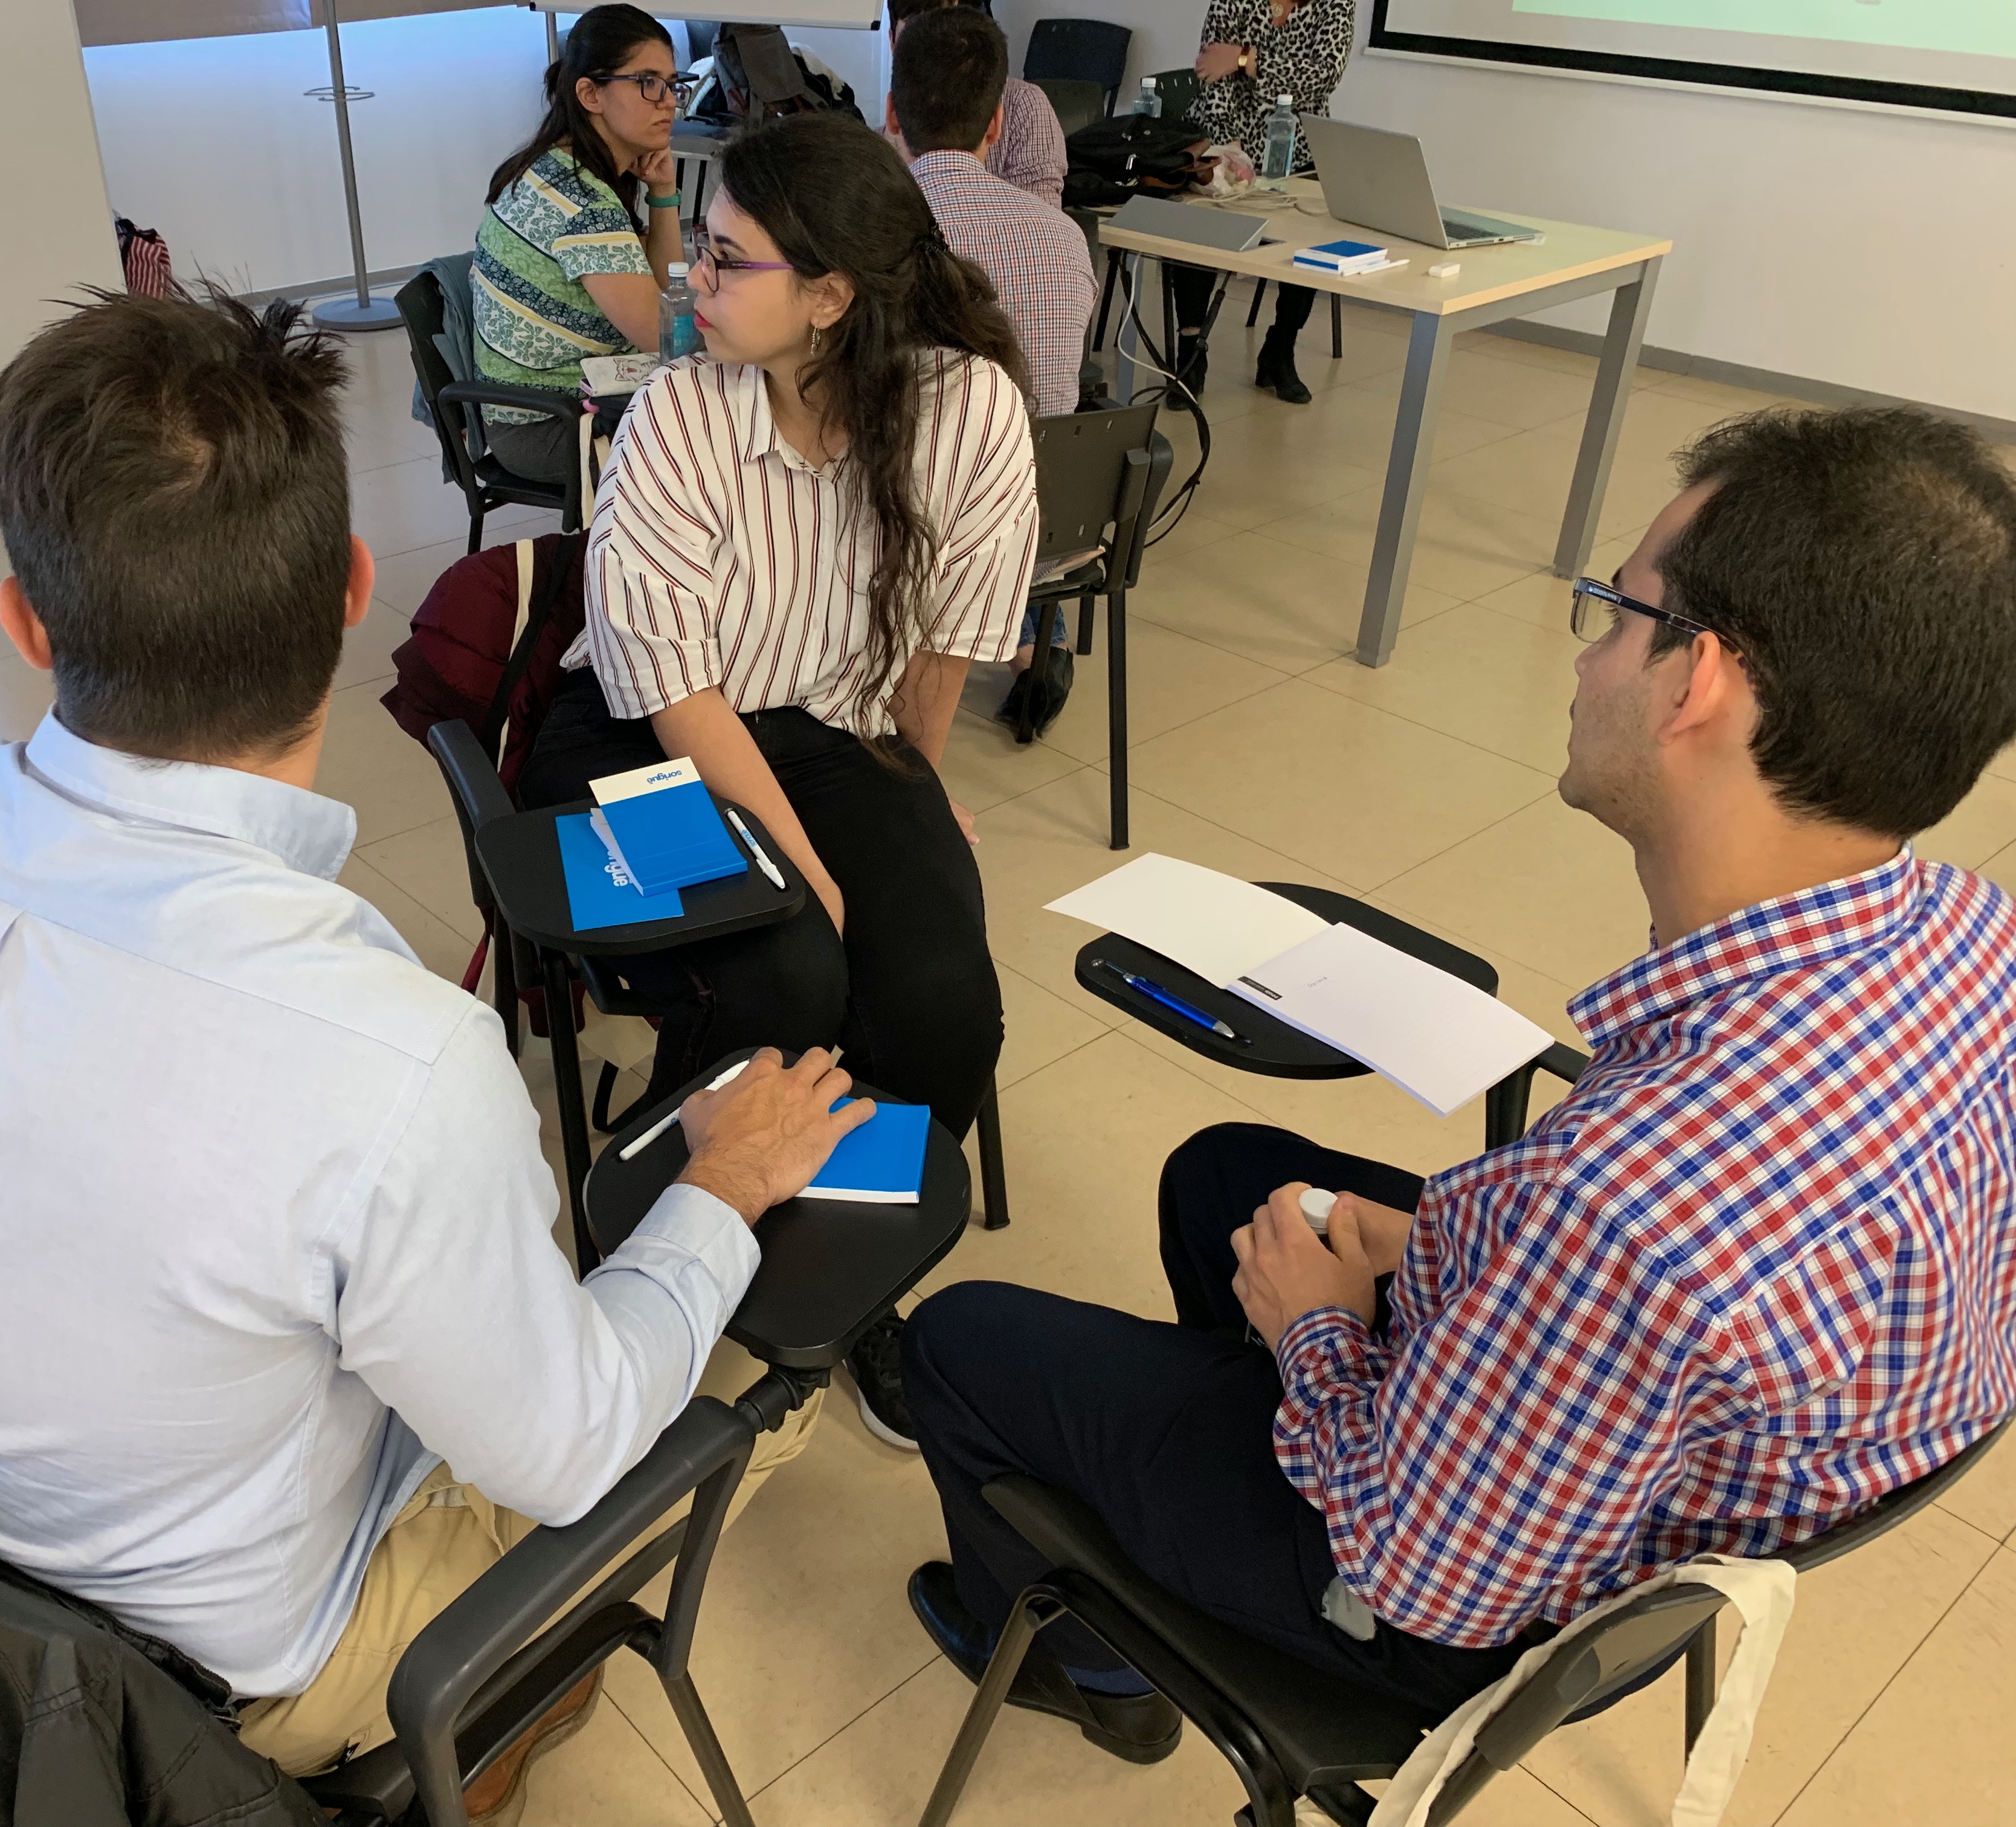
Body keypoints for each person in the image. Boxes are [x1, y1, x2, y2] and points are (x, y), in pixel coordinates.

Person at [0, 287, 870, 1817]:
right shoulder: (394, 1064)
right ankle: (473, 1727)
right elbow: (568, 1452)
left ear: (24, 620)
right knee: (755, 1379)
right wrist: (726, 1188)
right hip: (196, 1675)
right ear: (356, 586)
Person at [900, 407, 2016, 1764]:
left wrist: (1318, 1336)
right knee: (1226, 1175)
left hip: (1450, 1605)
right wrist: (1447, 1245)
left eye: (1618, 612)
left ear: (1698, 686)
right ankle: (1204, 1478)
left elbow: (1425, 1575)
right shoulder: (1970, 931)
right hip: (1673, 1457)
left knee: (958, 1337)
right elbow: (1636, 1275)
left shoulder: (1633, 1215)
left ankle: (1094, 1664)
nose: (1586, 655)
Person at [516, 112, 1037, 1450]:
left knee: (941, 1007)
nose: (689, 277)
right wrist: (820, 880)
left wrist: (909, 801)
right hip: (630, 748)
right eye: (698, 244)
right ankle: (673, 1263)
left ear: (830, 296)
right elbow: (677, 692)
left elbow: (940, 650)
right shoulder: (677, 412)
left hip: (821, 729)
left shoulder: (967, 408)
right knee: (792, 972)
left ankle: (851, 1281)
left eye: (725, 258)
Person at [887, 5, 1094, 736]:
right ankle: (1036, 638)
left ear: (892, 114)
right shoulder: (1064, 237)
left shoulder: (872, 230)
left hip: (910, 514)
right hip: (1048, 515)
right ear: (997, 124)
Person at [471, 5, 690, 486]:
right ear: (590, 94)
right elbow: (667, 337)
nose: (668, 102)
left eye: (673, 84)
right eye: (648, 83)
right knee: (730, 423)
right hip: (553, 426)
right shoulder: (582, 202)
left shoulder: (555, 167)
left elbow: (666, 290)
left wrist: (662, 193)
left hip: (545, 411)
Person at [1174, 0, 1356, 404]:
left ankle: (1280, 349)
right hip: (1225, 140)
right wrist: (1230, 146)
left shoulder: (1336, 3)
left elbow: (1323, 77)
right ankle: (1189, 352)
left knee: (1310, 240)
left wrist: (1244, 59)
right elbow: (1212, 73)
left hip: (1299, 147)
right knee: (1195, 229)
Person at [886, 0, 1068, 210]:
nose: (935, 38)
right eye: (916, 26)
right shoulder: (876, 146)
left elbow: (1041, 217)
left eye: (947, 22)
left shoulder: (1021, 104)